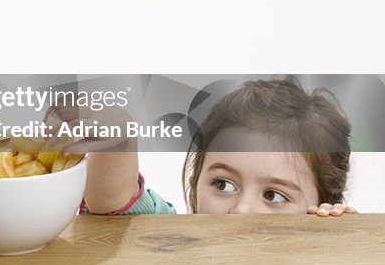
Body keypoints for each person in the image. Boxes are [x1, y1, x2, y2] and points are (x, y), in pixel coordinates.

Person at [56, 77, 358, 216]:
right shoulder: (173, 243)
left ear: (320, 205)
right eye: (223, 184)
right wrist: (119, 140)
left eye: (274, 196)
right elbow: (112, 198)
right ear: (195, 180)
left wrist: (344, 241)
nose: (241, 211)